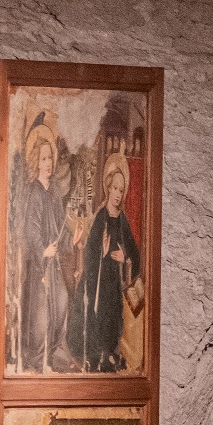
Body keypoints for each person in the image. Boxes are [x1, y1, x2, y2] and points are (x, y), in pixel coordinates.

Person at [9, 113, 69, 372]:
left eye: (50, 158)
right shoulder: (34, 191)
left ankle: (53, 353)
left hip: (53, 261)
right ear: (36, 160)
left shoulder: (53, 192)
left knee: (63, 302)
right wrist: (41, 250)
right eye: (43, 158)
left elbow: (58, 225)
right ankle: (36, 358)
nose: (48, 163)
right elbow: (30, 229)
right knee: (41, 314)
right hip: (38, 262)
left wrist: (70, 239)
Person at [75, 151, 145, 373]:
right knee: (101, 311)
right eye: (114, 188)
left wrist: (126, 259)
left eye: (121, 190)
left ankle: (112, 352)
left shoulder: (122, 220)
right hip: (98, 280)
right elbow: (89, 253)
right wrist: (102, 252)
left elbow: (135, 253)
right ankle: (99, 354)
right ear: (107, 188)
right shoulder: (101, 218)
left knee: (115, 315)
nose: (117, 194)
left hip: (116, 282)